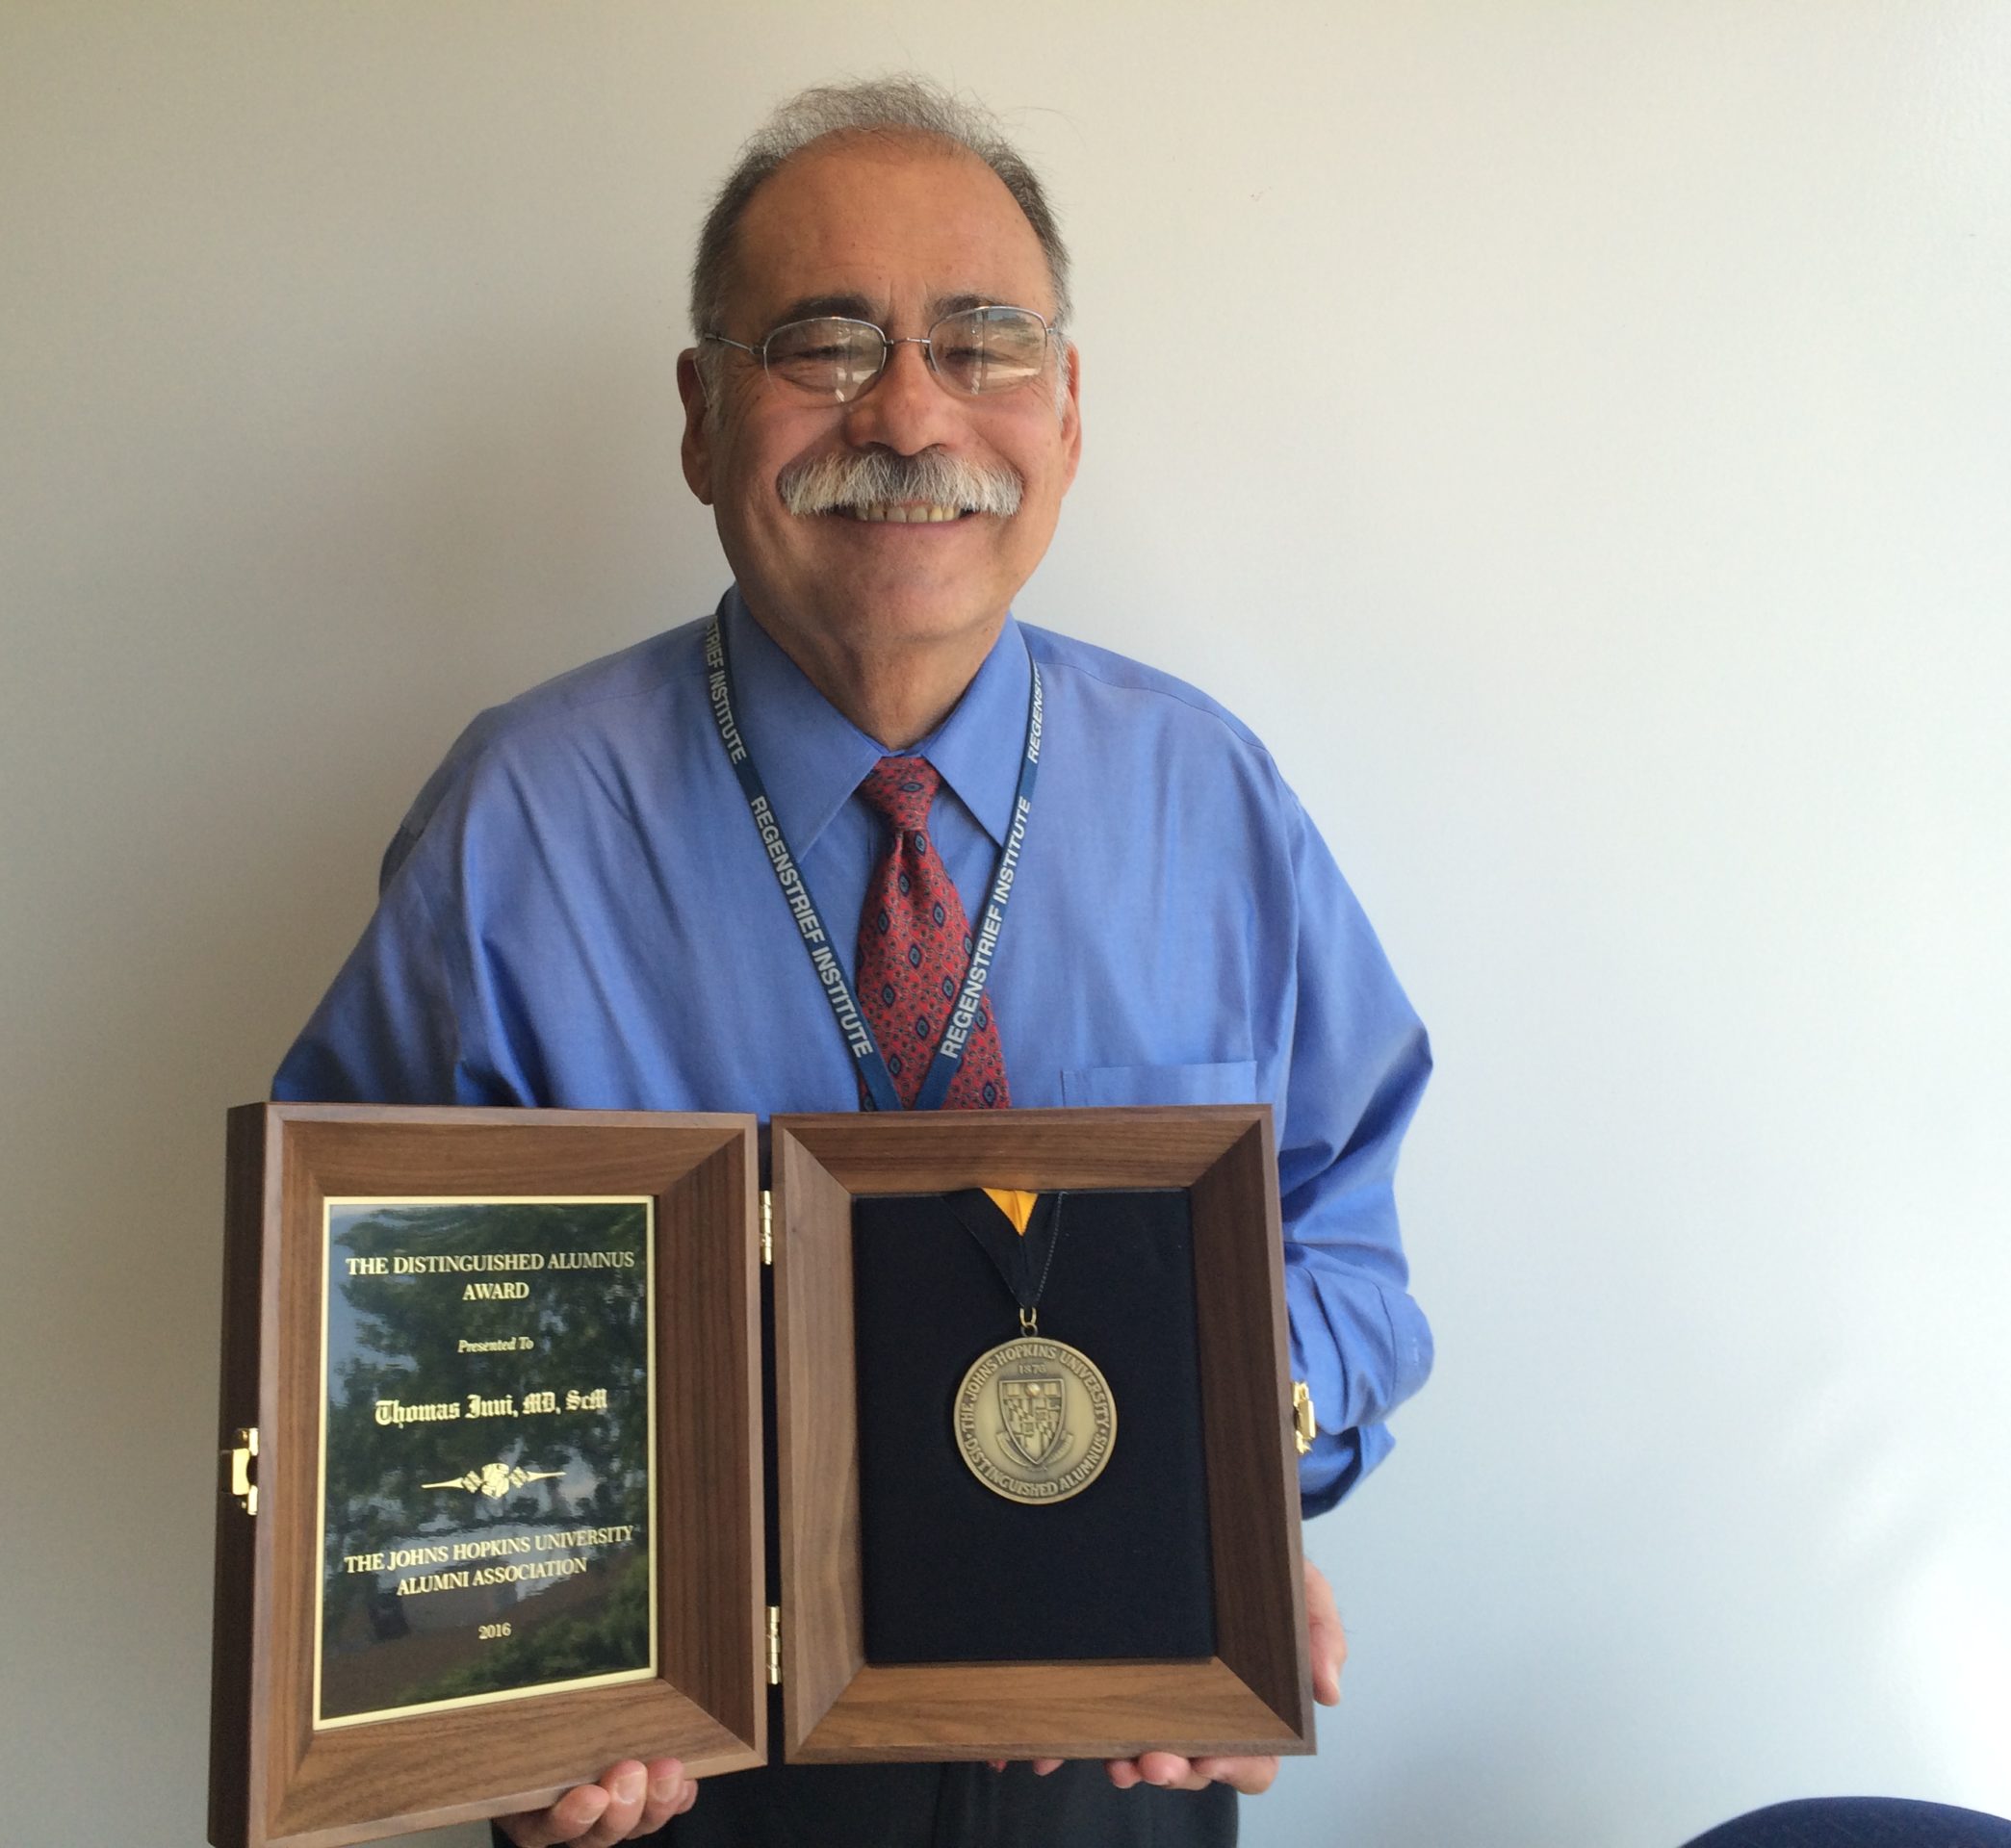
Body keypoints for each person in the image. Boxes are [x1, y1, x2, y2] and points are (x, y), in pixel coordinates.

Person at [275, 76, 1432, 1848]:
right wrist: (493, 1689)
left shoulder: (1215, 801)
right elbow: (360, 1348)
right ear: (699, 414)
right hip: (685, 1792)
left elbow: (1346, 1242)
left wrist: (1233, 1476)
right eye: (823, 341)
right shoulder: (516, 827)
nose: (906, 410)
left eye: (983, 343)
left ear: (1066, 407)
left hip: (1116, 1766)